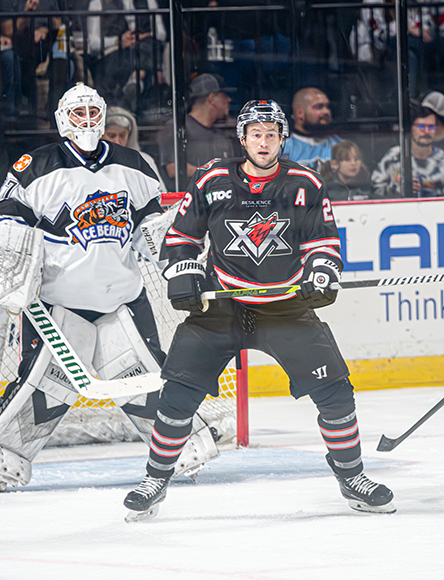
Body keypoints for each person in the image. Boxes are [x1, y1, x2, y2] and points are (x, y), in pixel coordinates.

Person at [122, 99, 394, 520]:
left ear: (282, 138)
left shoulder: (305, 183)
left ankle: (352, 476)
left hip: (284, 307)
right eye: (256, 134)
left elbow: (322, 241)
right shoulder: (212, 179)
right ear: (243, 138)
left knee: (336, 393)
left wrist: (321, 270)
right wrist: (184, 272)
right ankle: (155, 479)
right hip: (222, 306)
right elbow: (181, 236)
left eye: (271, 134)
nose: (263, 142)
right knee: (176, 395)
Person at [0, 83, 216, 492]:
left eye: (92, 114)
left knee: (148, 379)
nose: (86, 122)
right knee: (43, 388)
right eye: (78, 114)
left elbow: (151, 232)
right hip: (56, 303)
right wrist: (19, 246)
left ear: (103, 118)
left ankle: (180, 452)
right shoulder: (35, 165)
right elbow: (3, 218)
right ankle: (2, 465)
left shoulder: (135, 165)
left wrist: (176, 258)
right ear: (62, 120)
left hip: (122, 299)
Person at [85, 0, 167, 107]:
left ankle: (136, 80)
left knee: (147, 44)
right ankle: (137, 81)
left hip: (143, 50)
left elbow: (162, 33)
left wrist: (143, 35)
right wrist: (118, 41)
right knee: (135, 55)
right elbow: (93, 42)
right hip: (115, 57)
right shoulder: (99, 1)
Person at [350, 0, 433, 100]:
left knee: (411, 53)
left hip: (409, 45)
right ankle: (415, 96)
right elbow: (377, 34)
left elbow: (425, 20)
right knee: (414, 46)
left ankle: (410, 99)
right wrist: (405, 28)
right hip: (383, 48)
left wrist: (423, 28)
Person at [0, 0, 63, 120]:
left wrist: (45, 29)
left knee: (64, 60)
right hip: (20, 46)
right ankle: (16, 118)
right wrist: (26, 15)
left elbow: (58, 23)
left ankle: (54, 117)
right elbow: (8, 32)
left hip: (46, 46)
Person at [157, 73, 236, 188]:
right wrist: (211, 176)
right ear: (211, 99)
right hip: (190, 199)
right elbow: (173, 168)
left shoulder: (221, 130)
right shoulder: (177, 128)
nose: (228, 100)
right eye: (224, 96)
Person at [372, 102, 444, 198]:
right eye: (421, 126)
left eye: (431, 127)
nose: (427, 131)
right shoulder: (393, 157)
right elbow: (374, 191)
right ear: (411, 129)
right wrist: (397, 190)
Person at [102, 104, 163, 182]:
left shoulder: (144, 160)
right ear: (101, 135)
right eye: (111, 135)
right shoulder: (93, 163)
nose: (117, 141)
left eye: (122, 135)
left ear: (129, 135)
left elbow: (160, 191)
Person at [285, 87, 340, 171]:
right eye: (319, 107)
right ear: (300, 112)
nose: (326, 112)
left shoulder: (339, 145)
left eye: (327, 106)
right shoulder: (282, 148)